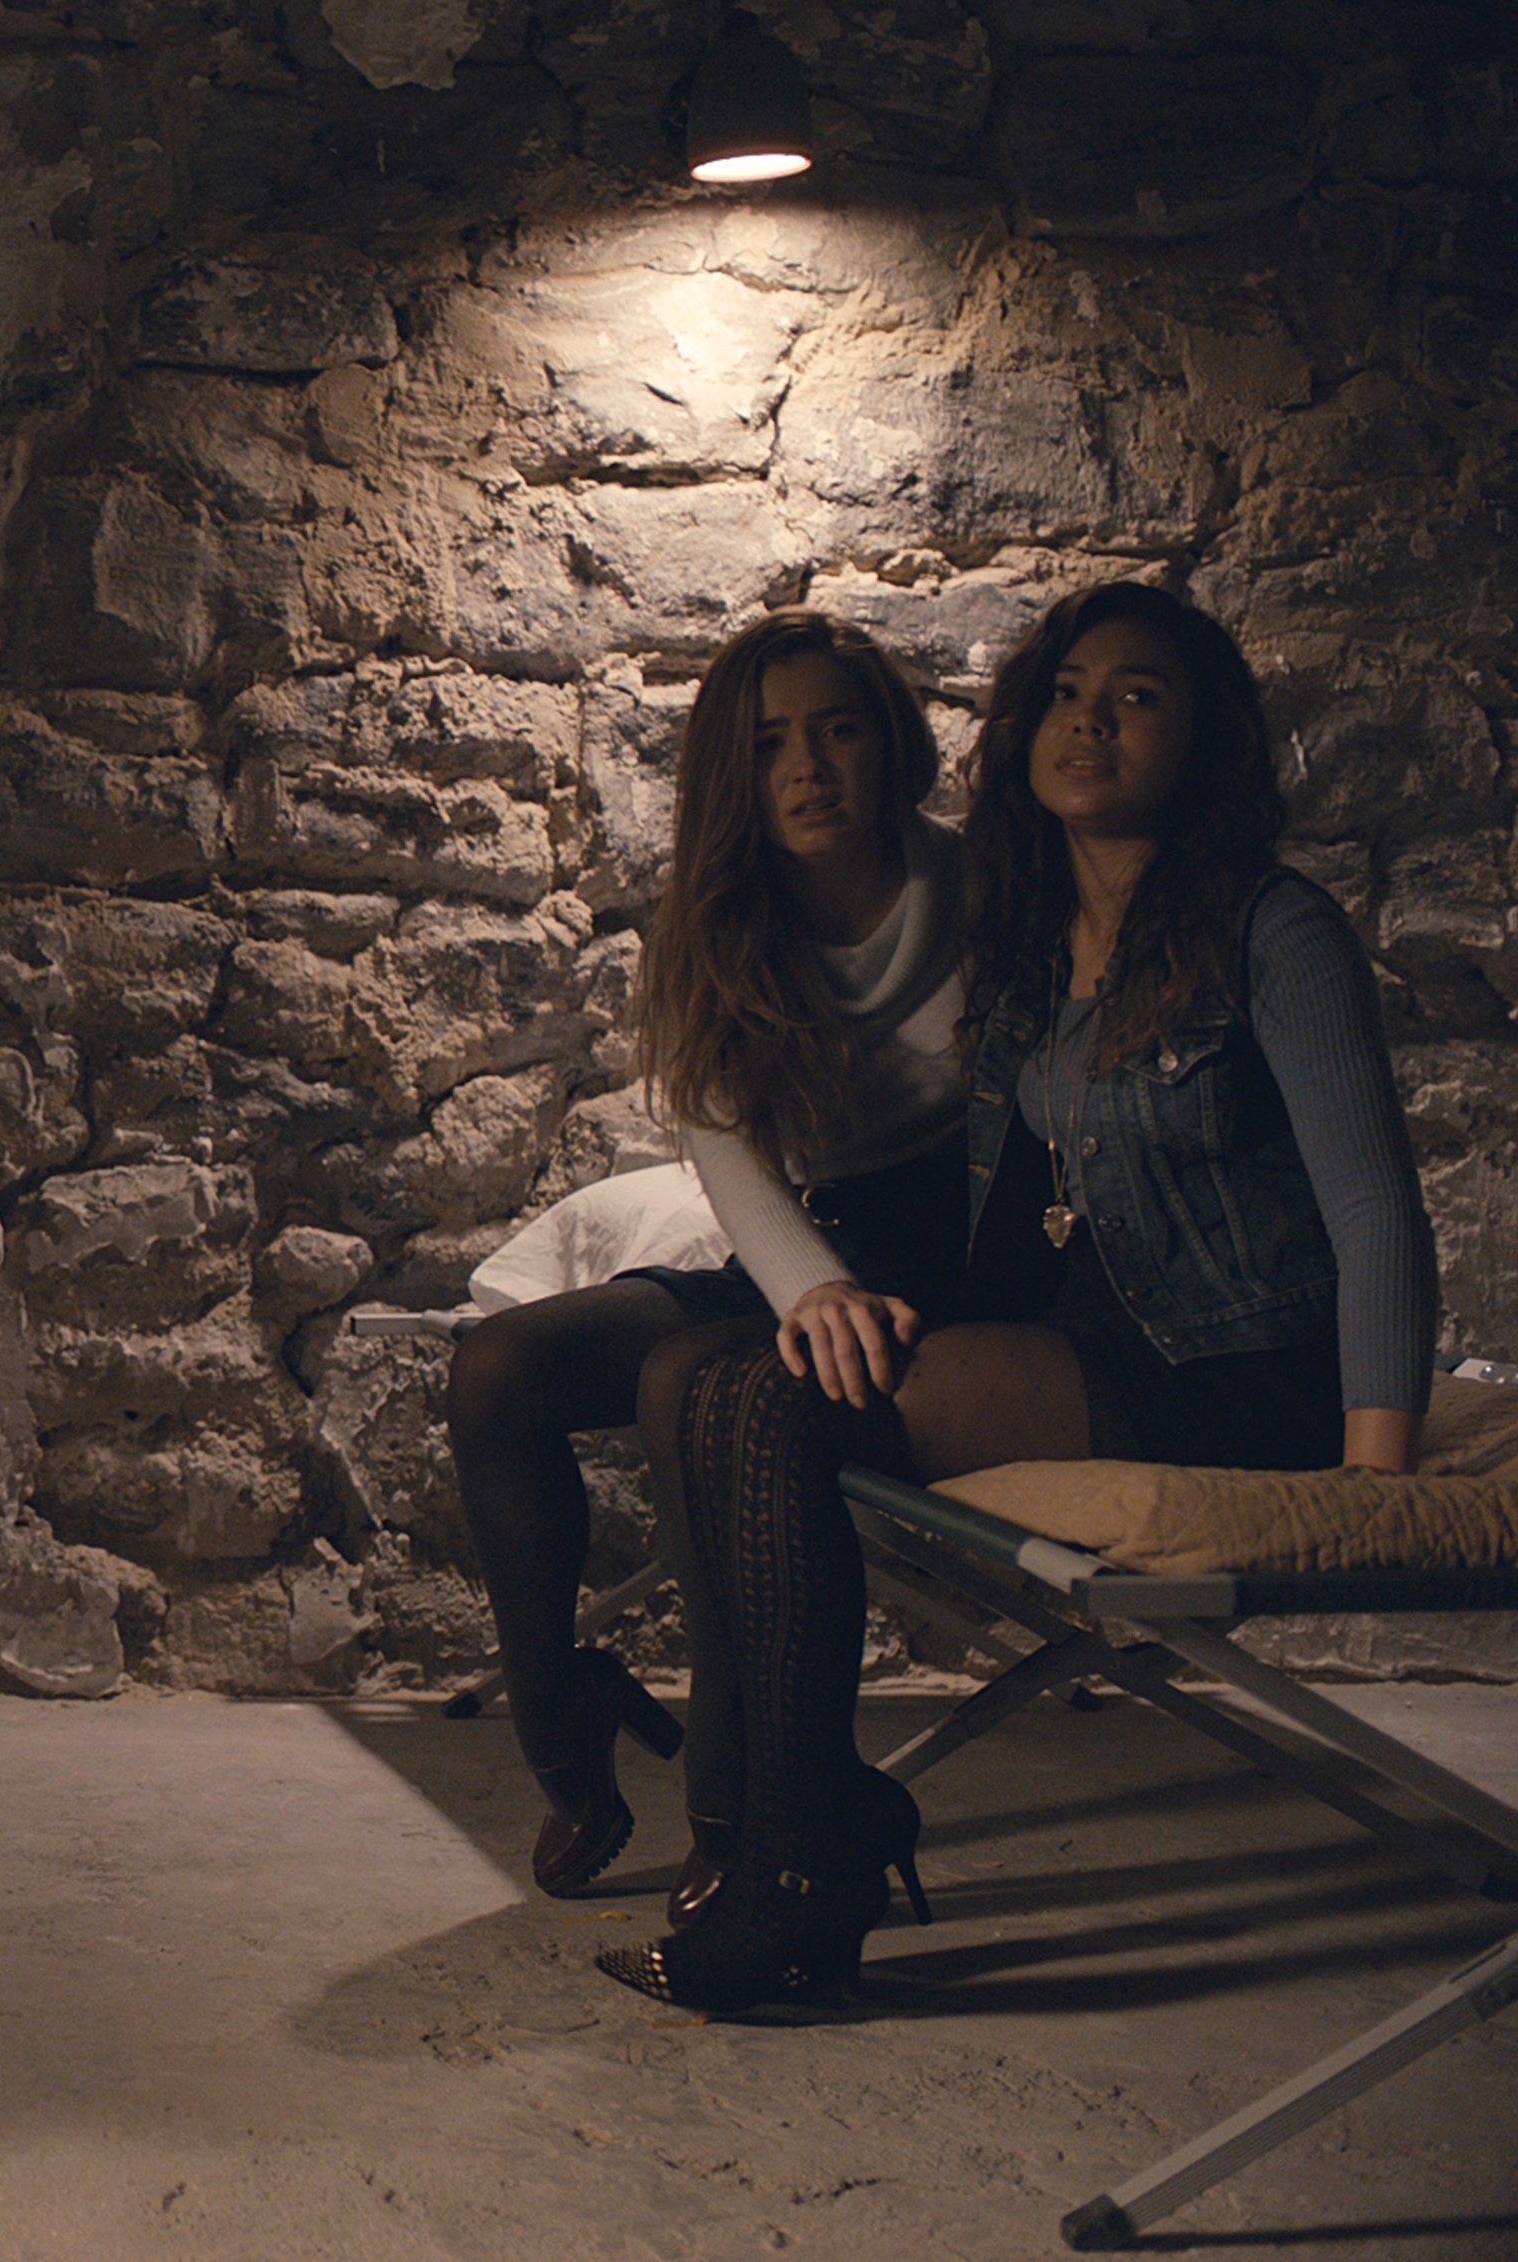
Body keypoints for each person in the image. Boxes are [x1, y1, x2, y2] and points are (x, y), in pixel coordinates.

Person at [598, 581, 1437, 2013]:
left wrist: (1374, 1479)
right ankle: (814, 1831)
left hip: (1246, 1367)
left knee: (772, 1408)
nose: (1090, 720)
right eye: (1065, 692)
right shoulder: (1044, 943)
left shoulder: (1273, 928)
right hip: (1099, 1335)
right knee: (735, 1382)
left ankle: (803, 1867)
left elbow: (1375, 1206)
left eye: (1137, 695)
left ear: (1206, 739)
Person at [447, 610, 968, 1903]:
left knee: (700, 1395)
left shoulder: (980, 888)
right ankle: (562, 1716)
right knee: (499, 1367)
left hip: (946, 1264)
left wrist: (834, 1294)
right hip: (796, 1259)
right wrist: (808, 1285)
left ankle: (739, 1811)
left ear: (890, 742)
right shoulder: (721, 916)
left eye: (837, 730)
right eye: (770, 743)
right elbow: (722, 1139)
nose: (808, 768)